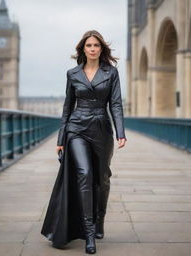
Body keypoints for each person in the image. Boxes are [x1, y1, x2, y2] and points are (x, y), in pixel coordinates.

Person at [41, 30, 127, 254]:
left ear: (101, 49)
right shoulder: (73, 74)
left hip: (101, 128)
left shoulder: (111, 73)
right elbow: (67, 107)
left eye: (96, 45)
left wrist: (121, 131)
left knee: (103, 177)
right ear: (83, 49)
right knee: (84, 174)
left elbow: (115, 104)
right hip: (77, 128)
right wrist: (61, 138)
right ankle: (89, 235)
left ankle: (100, 220)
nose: (92, 49)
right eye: (88, 45)